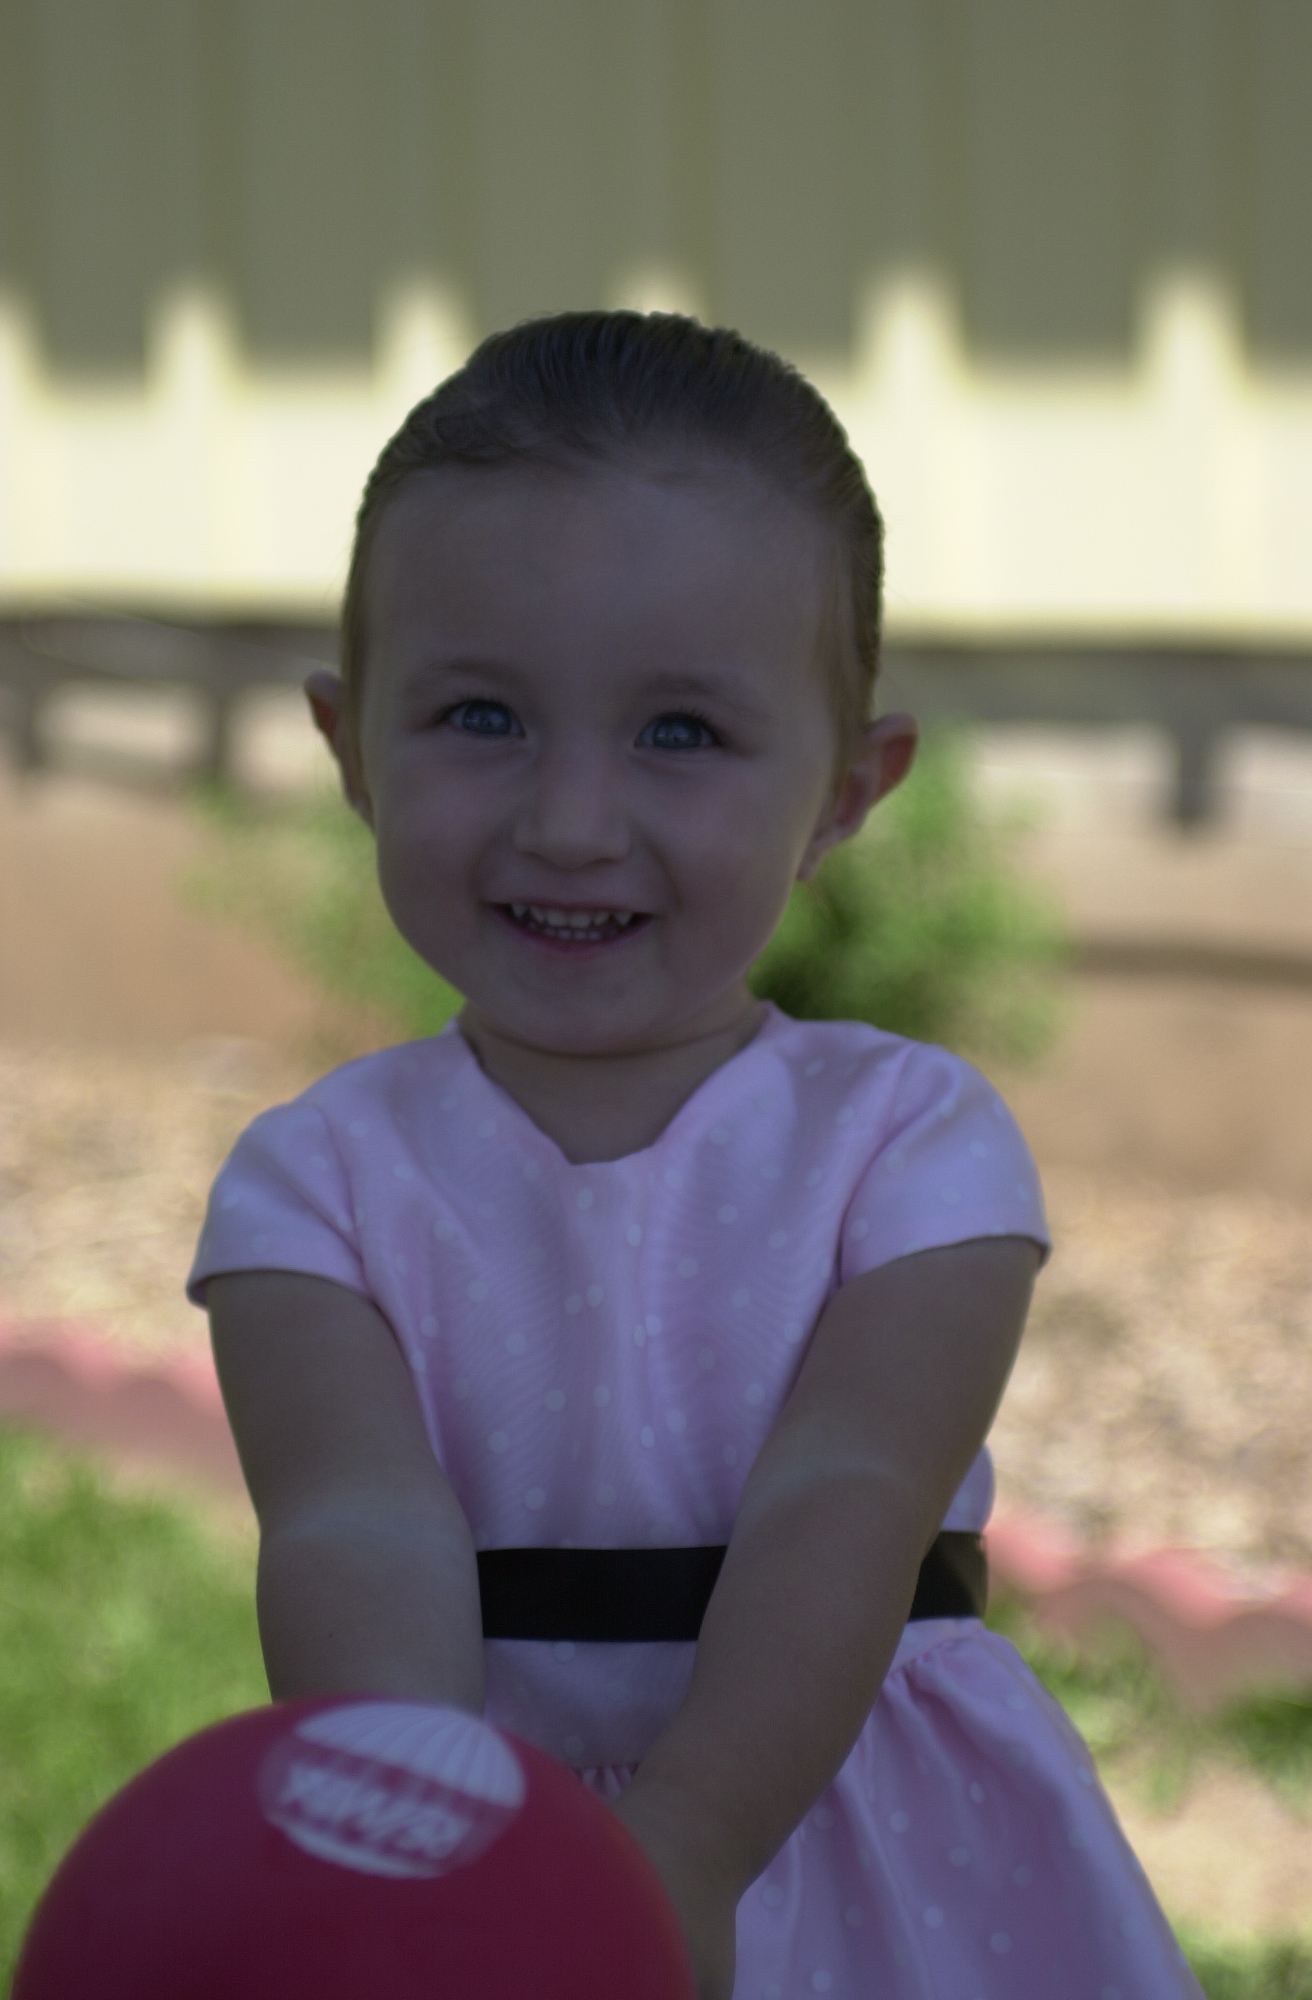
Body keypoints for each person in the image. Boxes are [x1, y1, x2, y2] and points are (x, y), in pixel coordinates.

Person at [189, 312, 1201, 2000]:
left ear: (848, 790)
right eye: (481, 715)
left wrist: (692, 1842)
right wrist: (440, 1858)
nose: (571, 822)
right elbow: (357, 1530)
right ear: (349, 748)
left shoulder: (910, 1148)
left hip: (851, 1826)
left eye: (679, 734)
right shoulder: (317, 1187)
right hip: (477, 1810)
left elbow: (848, 1500)